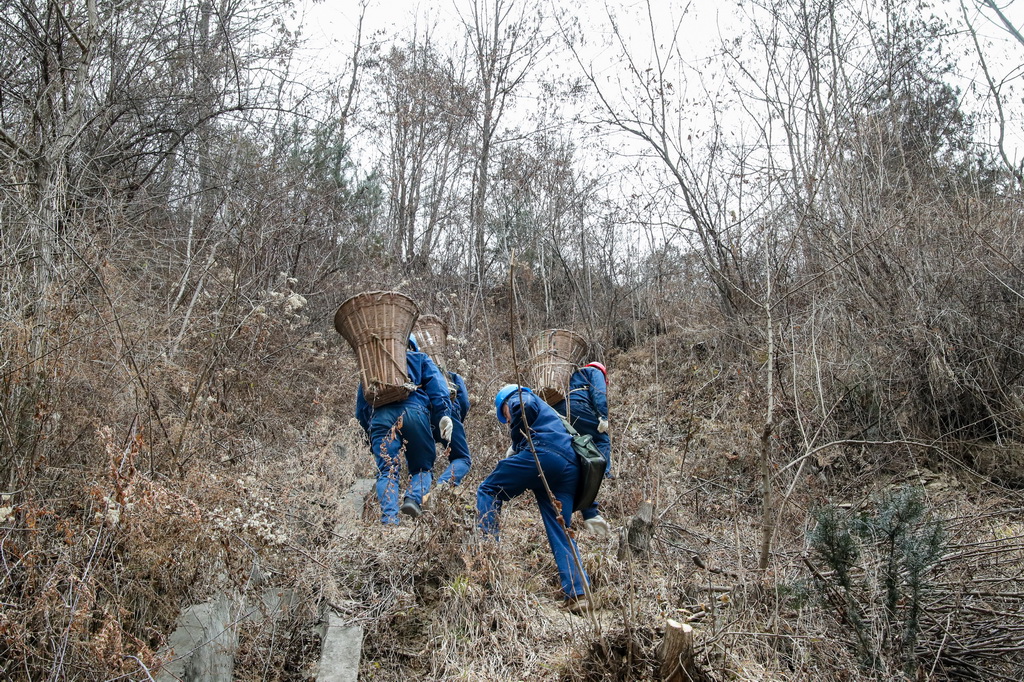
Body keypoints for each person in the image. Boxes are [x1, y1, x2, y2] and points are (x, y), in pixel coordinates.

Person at [476, 384, 593, 613]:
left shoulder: (519, 398)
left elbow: (523, 405)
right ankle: (578, 592)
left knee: (488, 489)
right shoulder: (552, 415)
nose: (508, 420)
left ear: (505, 405)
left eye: (506, 416)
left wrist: (517, 443)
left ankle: (485, 557)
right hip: (569, 467)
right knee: (561, 527)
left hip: (543, 454)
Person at [355, 335, 459, 525]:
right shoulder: (419, 358)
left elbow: (361, 407)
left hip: (381, 417)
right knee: (422, 466)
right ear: (411, 345)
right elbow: (438, 386)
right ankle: (413, 499)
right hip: (414, 412)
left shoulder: (372, 367)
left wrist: (369, 433)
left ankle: (389, 520)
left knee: (387, 470)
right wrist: (444, 413)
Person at [553, 362, 611, 536]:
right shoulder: (594, 371)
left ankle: (581, 511)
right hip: (578, 407)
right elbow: (598, 392)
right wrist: (603, 416)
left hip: (558, 411)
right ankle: (602, 472)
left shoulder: (571, 375)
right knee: (602, 440)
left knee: (576, 454)